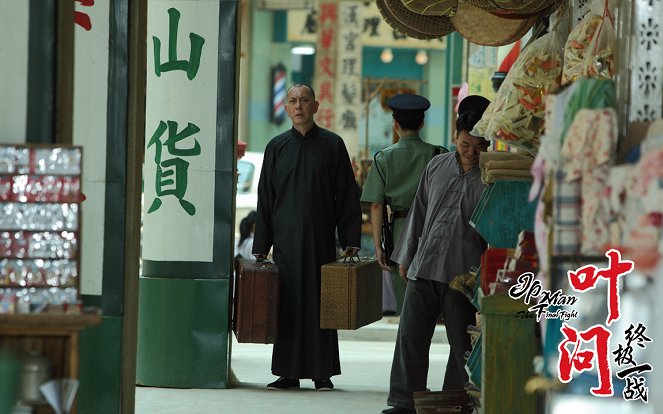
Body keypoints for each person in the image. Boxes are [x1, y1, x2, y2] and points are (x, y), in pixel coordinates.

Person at [381, 95, 491, 414]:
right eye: (464, 143)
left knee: (462, 345)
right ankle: (403, 401)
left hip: (463, 275)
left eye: (477, 146)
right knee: (411, 338)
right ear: (455, 137)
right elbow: (418, 212)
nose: (470, 152)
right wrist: (406, 255)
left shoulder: (490, 178)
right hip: (425, 265)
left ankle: (456, 402)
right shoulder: (436, 165)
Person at [252, 83, 362, 392]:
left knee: (320, 304)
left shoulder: (332, 145)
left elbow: (347, 194)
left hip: (320, 241)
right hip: (285, 242)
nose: (299, 106)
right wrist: (262, 245)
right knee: (287, 305)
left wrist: (350, 239)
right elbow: (266, 198)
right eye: (293, 101)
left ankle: (321, 372)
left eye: (304, 100)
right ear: (286, 109)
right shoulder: (276, 147)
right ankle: (288, 373)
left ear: (315, 106)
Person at [360, 93, 447, 316]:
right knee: (430, 300)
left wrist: (379, 246)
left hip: (399, 233)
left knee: (405, 302)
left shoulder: (383, 158)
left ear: (395, 124)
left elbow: (377, 205)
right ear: (422, 123)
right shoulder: (439, 155)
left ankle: (406, 346)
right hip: (434, 230)